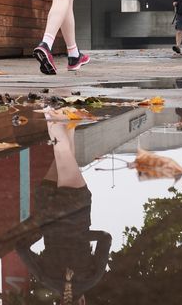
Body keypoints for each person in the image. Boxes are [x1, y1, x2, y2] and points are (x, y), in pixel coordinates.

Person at [13, 108, 112, 304]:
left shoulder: (91, 278)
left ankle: (51, 110)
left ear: (82, 302)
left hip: (74, 207)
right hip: (47, 208)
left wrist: (83, 235)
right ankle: (64, 109)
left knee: (62, 151)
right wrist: (43, 231)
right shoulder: (46, 279)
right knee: (65, 154)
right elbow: (20, 248)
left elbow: (105, 238)